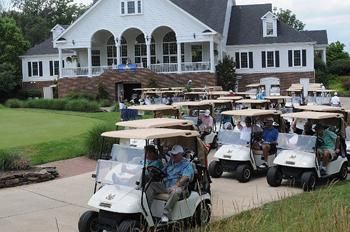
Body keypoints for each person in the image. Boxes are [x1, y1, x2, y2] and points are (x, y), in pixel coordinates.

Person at [146, 145, 194, 223]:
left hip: (179, 186)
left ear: (181, 154)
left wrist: (176, 185)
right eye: (172, 154)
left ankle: (165, 214)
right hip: (166, 185)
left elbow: (186, 177)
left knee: (176, 192)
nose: (173, 156)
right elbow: (162, 171)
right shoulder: (170, 163)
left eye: (175, 155)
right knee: (150, 185)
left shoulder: (186, 164)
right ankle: (147, 210)